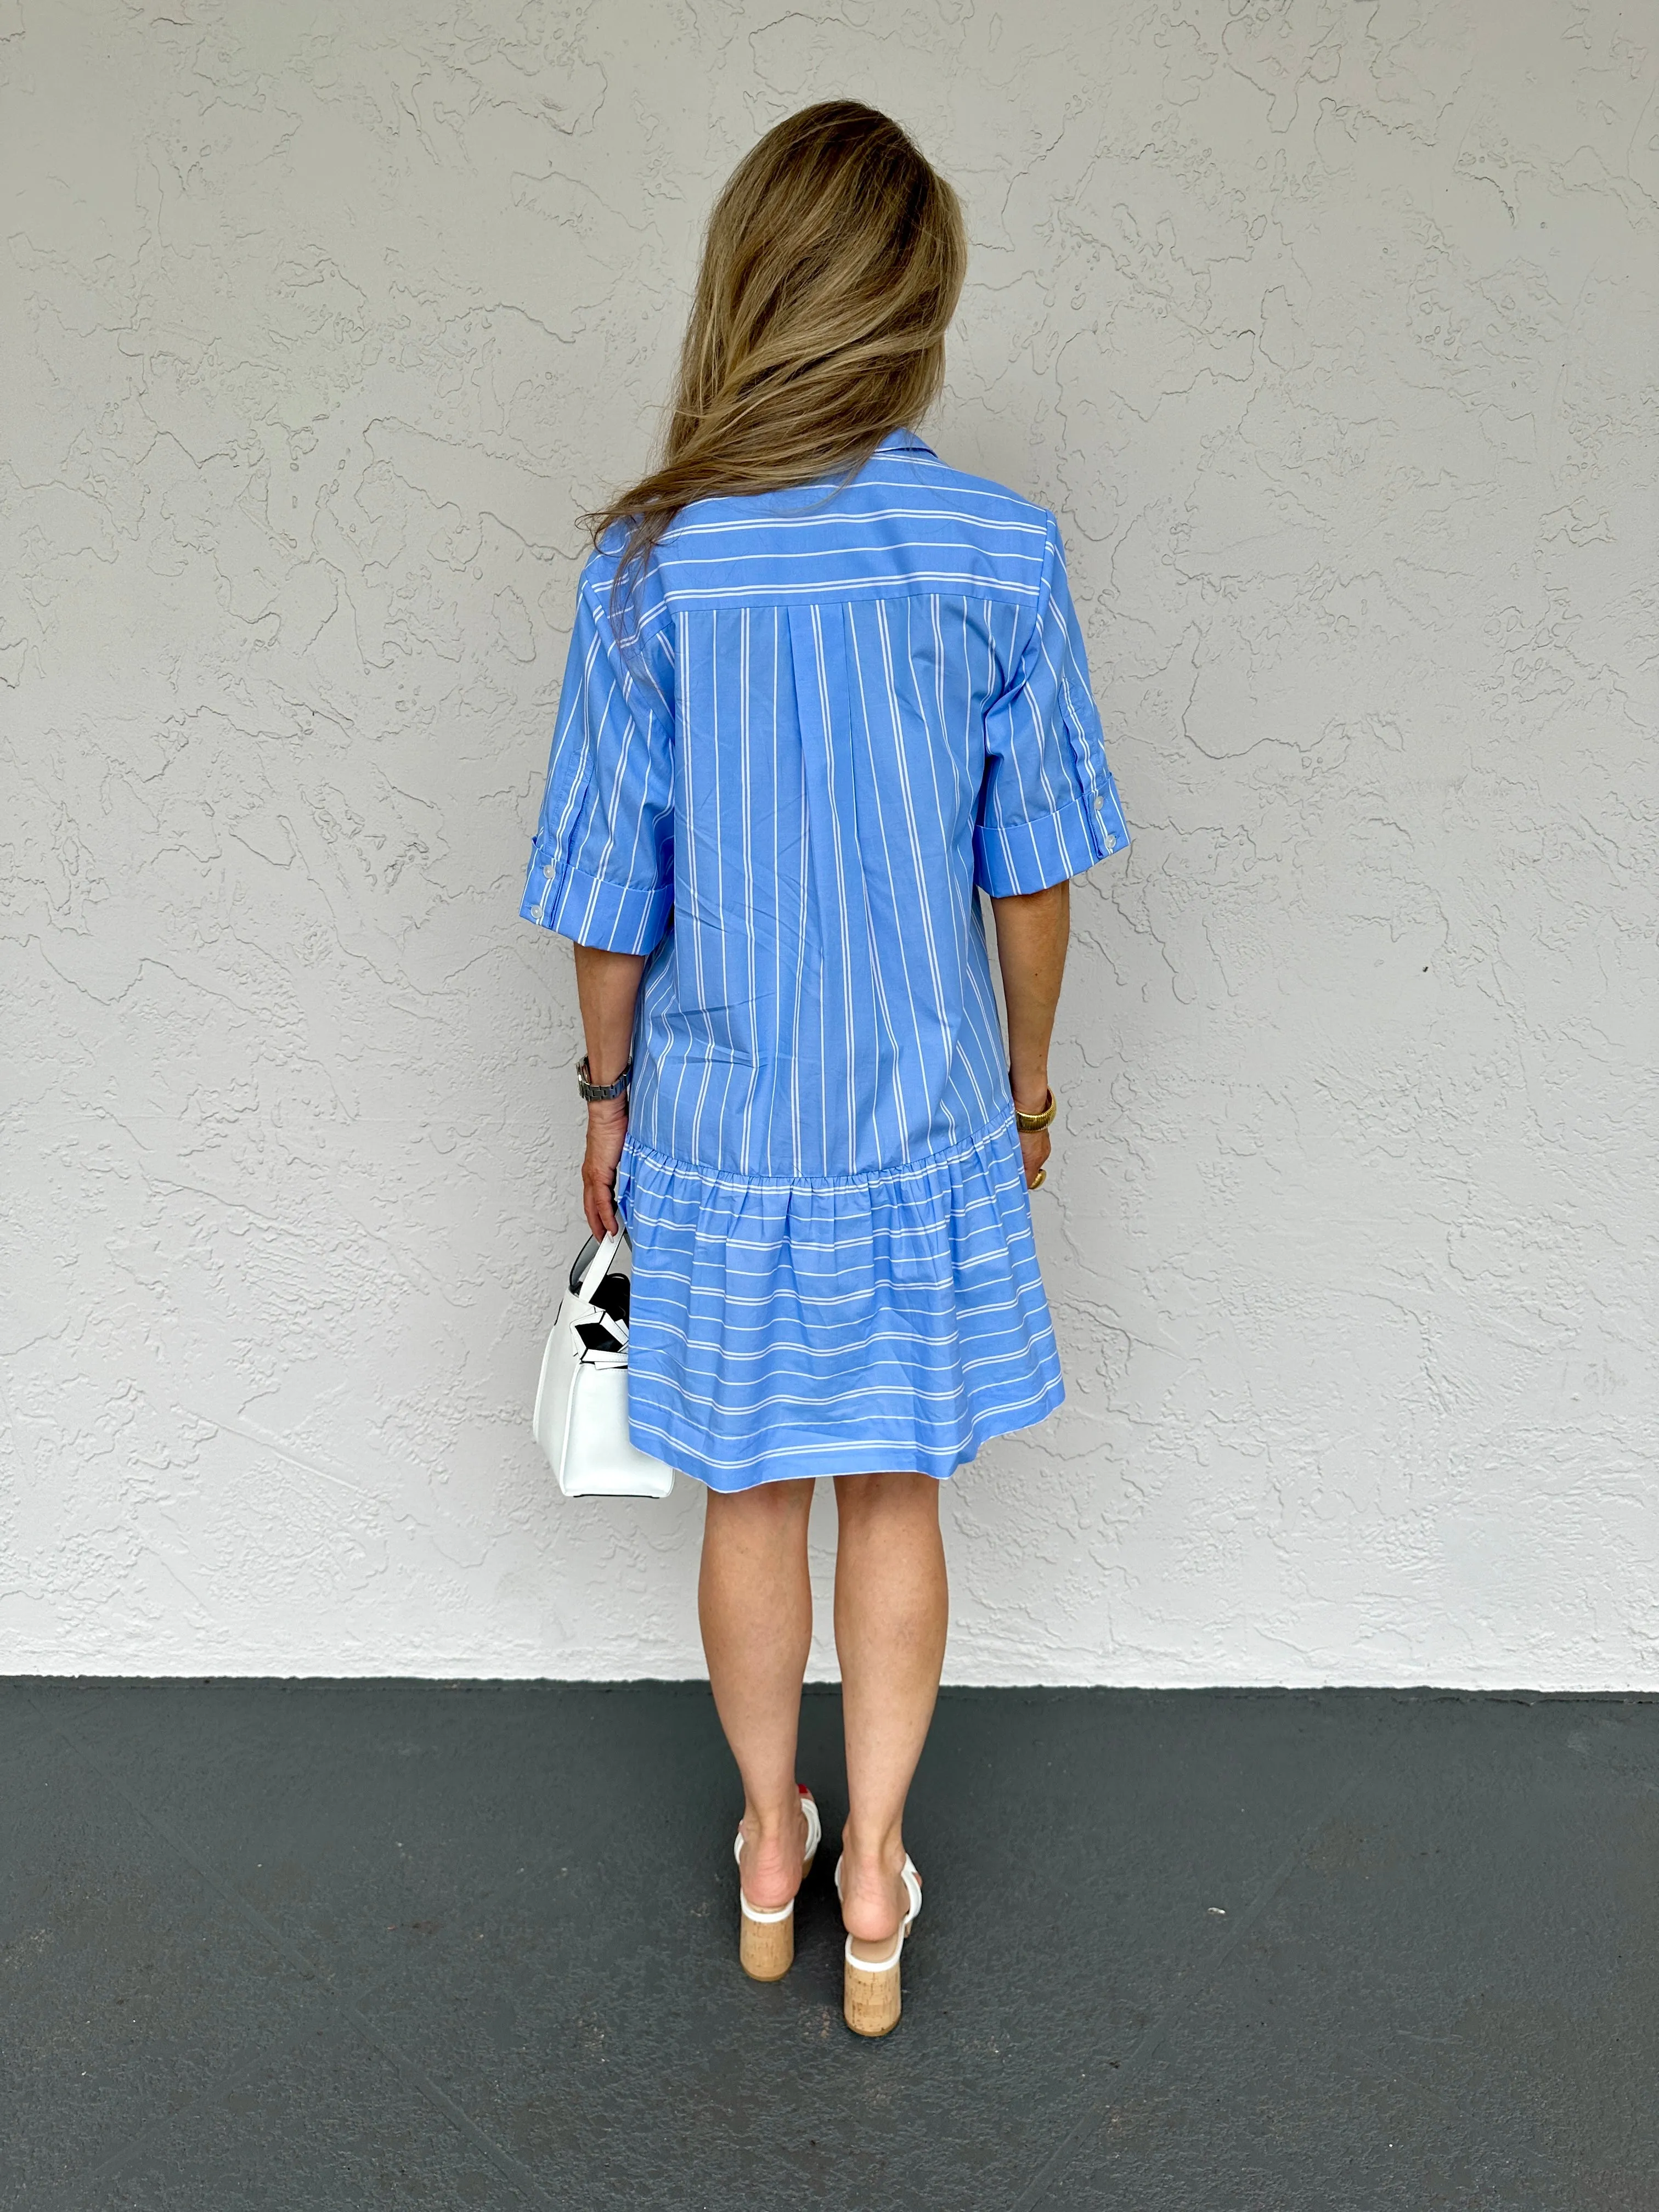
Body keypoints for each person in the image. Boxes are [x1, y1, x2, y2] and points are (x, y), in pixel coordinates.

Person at [520, 100, 1130, 2037]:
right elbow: (1028, 884)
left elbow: (612, 891)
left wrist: (605, 1100)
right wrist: (1024, 1089)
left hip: (724, 1117)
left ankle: (766, 1843)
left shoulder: (655, 568)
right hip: (921, 1116)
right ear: (914, 306)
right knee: (896, 1494)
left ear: (749, 291)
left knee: (747, 1498)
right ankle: (877, 1876)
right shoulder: (1000, 556)